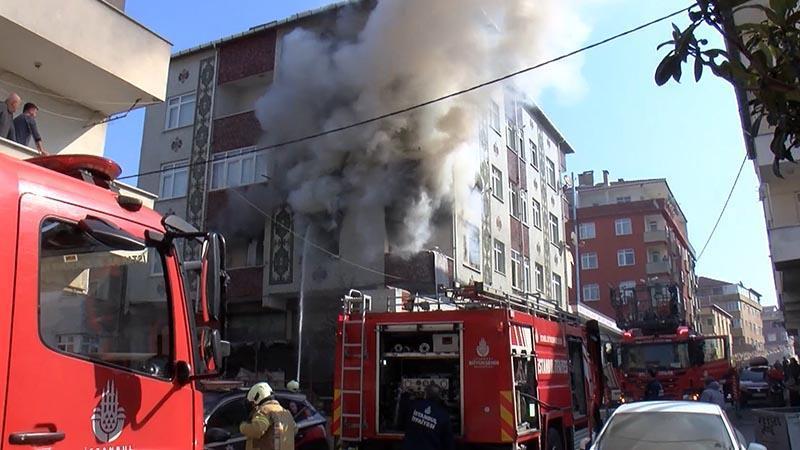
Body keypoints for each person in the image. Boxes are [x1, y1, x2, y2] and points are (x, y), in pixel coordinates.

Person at [239, 382, 297, 450]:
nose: (253, 406)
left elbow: (257, 429)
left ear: (257, 399)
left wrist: (243, 426)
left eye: (252, 404)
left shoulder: (265, 410)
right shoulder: (286, 412)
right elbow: (295, 430)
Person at [402, 384, 454, 450]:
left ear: (425, 394)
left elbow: (401, 419)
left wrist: (406, 394)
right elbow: (448, 443)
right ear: (439, 397)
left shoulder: (414, 406)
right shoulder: (443, 416)